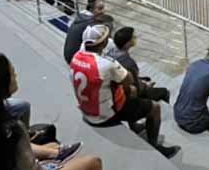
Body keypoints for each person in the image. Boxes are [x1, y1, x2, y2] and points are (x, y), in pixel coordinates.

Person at [69, 25, 178, 158]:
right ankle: (155, 145)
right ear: (103, 43)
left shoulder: (76, 57)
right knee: (154, 107)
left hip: (86, 110)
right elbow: (129, 79)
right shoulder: (106, 63)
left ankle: (135, 126)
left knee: (127, 91)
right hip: (104, 116)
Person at [105, 26, 170, 103]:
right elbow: (136, 87)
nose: (136, 38)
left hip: (118, 84)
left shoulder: (110, 53)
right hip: (128, 92)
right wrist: (146, 87)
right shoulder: (128, 62)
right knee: (164, 92)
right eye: (133, 37)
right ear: (127, 44)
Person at [63, 0, 113, 64]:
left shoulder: (81, 17)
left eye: (103, 8)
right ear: (91, 9)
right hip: (75, 59)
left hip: (69, 55)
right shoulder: (91, 23)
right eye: (100, 9)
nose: (103, 11)